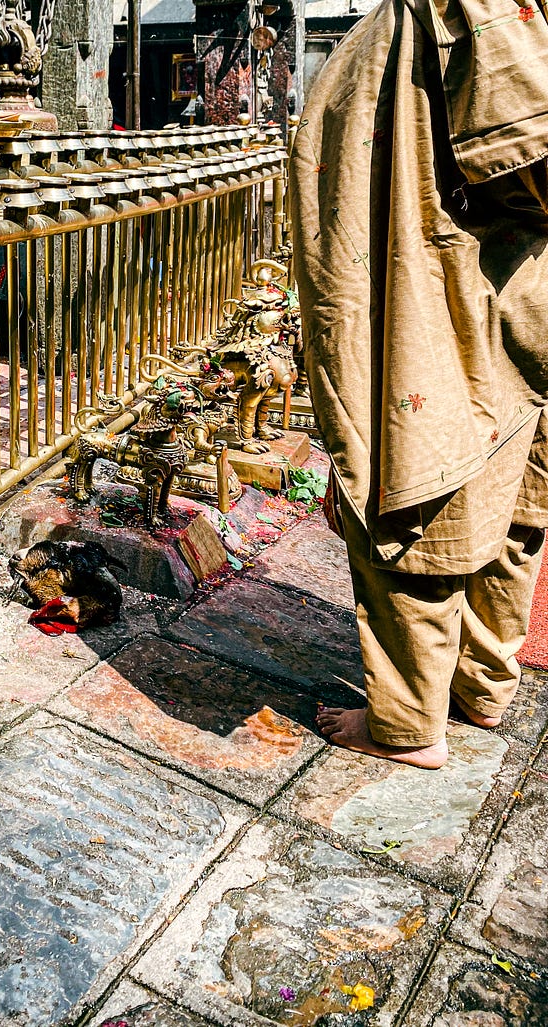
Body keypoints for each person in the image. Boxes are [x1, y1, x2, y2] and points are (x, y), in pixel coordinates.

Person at [290, 0, 548, 769]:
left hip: (455, 293)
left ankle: (407, 726)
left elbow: (531, 144)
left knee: (424, 494)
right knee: (515, 500)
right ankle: (482, 685)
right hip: (512, 293)